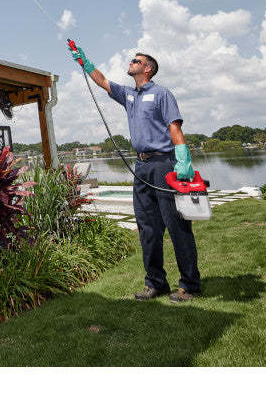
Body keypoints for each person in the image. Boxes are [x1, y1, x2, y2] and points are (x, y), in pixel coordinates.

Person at [69, 44, 202, 301]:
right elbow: (103, 82)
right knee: (147, 226)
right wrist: (84, 62)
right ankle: (156, 283)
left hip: (164, 163)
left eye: (136, 60)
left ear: (147, 69)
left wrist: (183, 159)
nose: (131, 62)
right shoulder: (129, 95)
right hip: (141, 167)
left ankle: (190, 285)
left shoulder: (162, 94)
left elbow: (174, 127)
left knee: (177, 224)